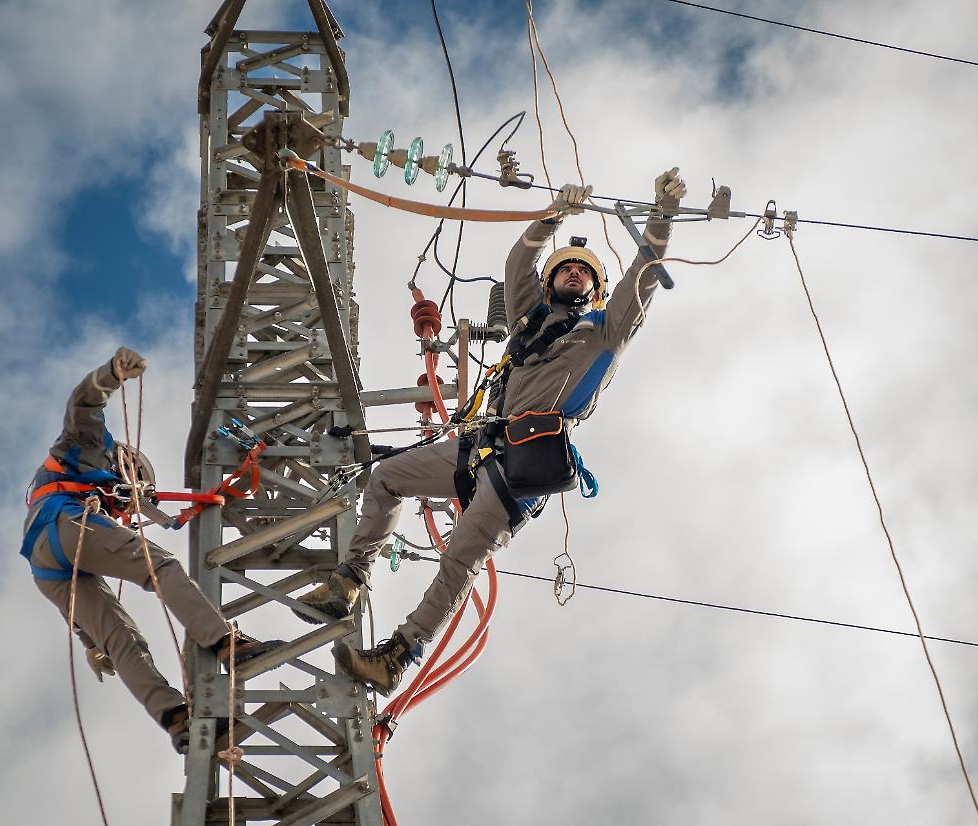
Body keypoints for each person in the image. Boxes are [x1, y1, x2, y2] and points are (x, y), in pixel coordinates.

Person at [292, 169, 687, 696]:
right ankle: (351, 577)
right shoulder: (529, 322)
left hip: (525, 462)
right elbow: (516, 264)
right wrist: (550, 218)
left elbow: (640, 280)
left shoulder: (603, 333)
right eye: (565, 268)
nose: (574, 273)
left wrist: (661, 218)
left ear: (595, 289)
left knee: (460, 556)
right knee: (386, 478)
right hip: (480, 445)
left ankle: (397, 655)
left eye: (583, 272)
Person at [21, 348, 281, 753]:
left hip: (44, 561)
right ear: (126, 461)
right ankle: (226, 644)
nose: (132, 499)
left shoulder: (87, 490)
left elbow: (75, 610)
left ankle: (176, 718)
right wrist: (111, 374)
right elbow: (83, 404)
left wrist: (92, 643)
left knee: (120, 638)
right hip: (67, 523)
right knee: (161, 566)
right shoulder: (92, 446)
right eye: (137, 482)